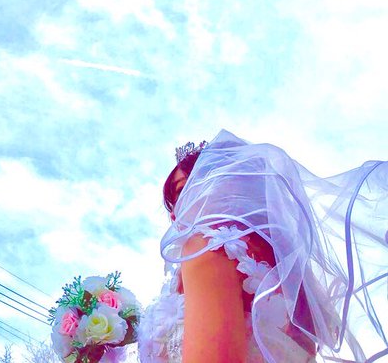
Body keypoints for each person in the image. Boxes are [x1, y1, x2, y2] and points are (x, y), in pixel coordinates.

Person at [138, 130, 387, 363]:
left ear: (222, 185)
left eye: (182, 191)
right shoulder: (292, 283)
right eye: (172, 203)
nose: (174, 213)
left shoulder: (207, 248)